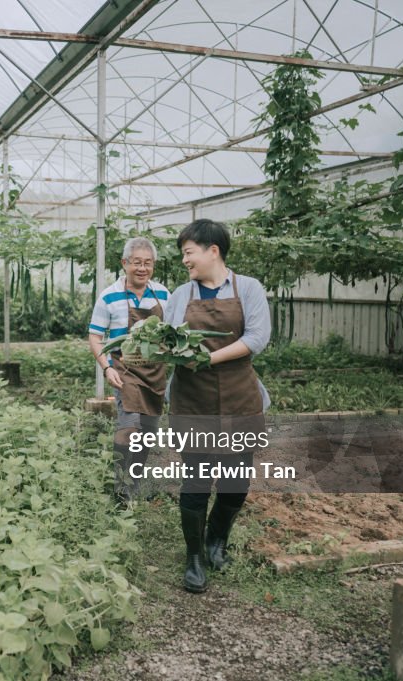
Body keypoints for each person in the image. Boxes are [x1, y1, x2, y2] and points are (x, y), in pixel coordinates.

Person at [163, 219, 271, 593]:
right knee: (196, 481)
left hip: (239, 395)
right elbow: (170, 340)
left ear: (213, 250)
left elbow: (257, 338)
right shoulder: (180, 295)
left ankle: (216, 539)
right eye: (183, 254)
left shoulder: (249, 288)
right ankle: (194, 556)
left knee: (235, 483)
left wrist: (210, 358)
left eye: (188, 252)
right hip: (194, 398)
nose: (184, 261)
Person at [88, 236, 170, 504]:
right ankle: (121, 488)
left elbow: (172, 333)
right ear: (124, 263)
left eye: (148, 263)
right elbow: (95, 337)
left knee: (149, 429)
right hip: (124, 369)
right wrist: (106, 367)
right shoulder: (109, 295)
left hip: (155, 371)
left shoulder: (164, 294)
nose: (142, 268)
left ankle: (134, 481)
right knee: (129, 425)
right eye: (136, 263)